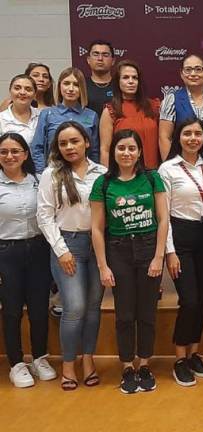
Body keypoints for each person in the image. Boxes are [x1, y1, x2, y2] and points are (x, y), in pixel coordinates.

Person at [90, 129, 169, 394]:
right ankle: (127, 366)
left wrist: (159, 256)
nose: (127, 153)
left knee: (147, 312)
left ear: (139, 152)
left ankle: (144, 364)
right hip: (118, 250)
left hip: (148, 248)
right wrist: (103, 265)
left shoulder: (152, 178)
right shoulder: (103, 183)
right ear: (113, 152)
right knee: (124, 314)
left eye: (132, 148)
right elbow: (97, 228)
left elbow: (163, 219)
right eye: (121, 148)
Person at [37, 121, 106, 390]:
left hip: (97, 245)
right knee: (75, 306)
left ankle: (88, 360)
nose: (69, 147)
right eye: (63, 143)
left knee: (92, 307)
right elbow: (44, 216)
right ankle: (68, 364)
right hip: (68, 245)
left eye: (74, 141)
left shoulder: (101, 172)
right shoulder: (52, 174)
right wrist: (62, 250)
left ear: (87, 142)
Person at [158, 118, 203, 387]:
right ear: (178, 137)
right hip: (180, 237)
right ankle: (180, 358)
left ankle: (194, 353)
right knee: (189, 300)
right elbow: (163, 216)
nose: (193, 138)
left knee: (202, 300)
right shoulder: (167, 169)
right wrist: (169, 251)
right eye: (187, 133)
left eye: (198, 134)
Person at [0, 132, 56, 388]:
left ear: (25, 154)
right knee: (11, 311)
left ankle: (40, 357)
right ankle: (16, 363)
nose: (10, 156)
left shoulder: (37, 181)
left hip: (37, 250)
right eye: (4, 152)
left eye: (15, 151)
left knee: (38, 308)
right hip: (6, 253)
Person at [31, 67, 100, 173]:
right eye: (66, 83)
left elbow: (94, 151)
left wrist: (93, 174)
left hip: (84, 174)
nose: (71, 89)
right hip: (54, 172)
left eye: (76, 85)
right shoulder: (47, 114)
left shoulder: (91, 116)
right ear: (59, 86)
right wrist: (41, 174)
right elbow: (37, 148)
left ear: (82, 88)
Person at [159, 54, 203, 161]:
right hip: (183, 166)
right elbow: (165, 137)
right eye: (188, 70)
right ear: (181, 74)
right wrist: (170, 168)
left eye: (198, 69)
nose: (193, 74)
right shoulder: (171, 100)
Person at [99, 59, 161, 169]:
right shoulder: (110, 111)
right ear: (118, 81)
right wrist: (107, 179)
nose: (131, 81)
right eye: (125, 77)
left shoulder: (154, 107)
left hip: (152, 173)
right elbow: (105, 150)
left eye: (135, 78)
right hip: (123, 175)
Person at [0, 75, 40, 145]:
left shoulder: (42, 116)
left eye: (28, 89)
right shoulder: (1, 119)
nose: (22, 92)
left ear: (35, 94)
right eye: (17, 88)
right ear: (10, 91)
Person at [84, 40, 115, 115]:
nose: (100, 58)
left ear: (113, 61)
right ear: (88, 60)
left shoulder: (120, 85)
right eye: (96, 54)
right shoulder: (81, 85)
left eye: (105, 55)